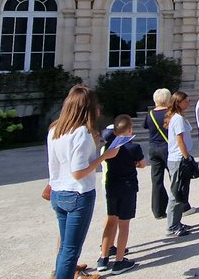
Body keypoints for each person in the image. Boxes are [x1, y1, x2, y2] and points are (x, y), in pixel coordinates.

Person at [44, 84, 119, 279]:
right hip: (77, 194)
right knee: (71, 251)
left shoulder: (55, 129)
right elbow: (78, 172)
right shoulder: (81, 133)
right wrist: (105, 156)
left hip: (58, 192)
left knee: (65, 249)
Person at [96, 115, 145, 275]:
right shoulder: (133, 147)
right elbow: (143, 164)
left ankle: (103, 257)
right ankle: (119, 260)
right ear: (130, 130)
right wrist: (136, 163)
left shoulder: (108, 148)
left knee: (111, 220)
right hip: (127, 187)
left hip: (111, 186)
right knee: (124, 225)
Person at [164, 91, 195, 237]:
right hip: (178, 159)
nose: (188, 103)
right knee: (176, 193)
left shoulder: (179, 118)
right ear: (178, 102)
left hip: (179, 158)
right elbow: (180, 140)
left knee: (182, 191)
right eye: (186, 101)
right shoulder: (178, 119)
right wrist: (187, 157)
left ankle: (177, 222)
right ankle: (172, 226)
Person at [143, 88, 171, 220]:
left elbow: (146, 127)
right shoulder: (170, 114)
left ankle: (158, 210)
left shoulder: (150, 114)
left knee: (156, 180)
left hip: (153, 147)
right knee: (175, 178)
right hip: (167, 147)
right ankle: (180, 205)